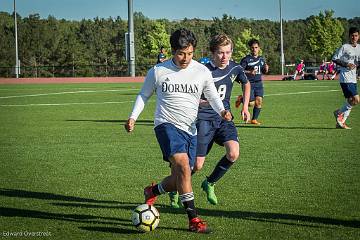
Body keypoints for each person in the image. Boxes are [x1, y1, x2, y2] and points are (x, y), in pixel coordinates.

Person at [125, 28, 232, 233]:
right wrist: (133, 117)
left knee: (186, 175)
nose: (185, 58)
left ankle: (153, 190)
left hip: (191, 129)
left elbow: (212, 95)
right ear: (173, 51)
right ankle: (193, 220)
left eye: (190, 53)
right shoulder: (158, 71)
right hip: (166, 125)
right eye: (181, 53)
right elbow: (144, 95)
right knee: (183, 166)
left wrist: (222, 112)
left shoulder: (201, 71)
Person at [168, 34, 251, 207]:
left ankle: (210, 183)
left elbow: (246, 83)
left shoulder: (234, 68)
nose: (224, 57)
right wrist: (203, 101)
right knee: (196, 165)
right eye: (221, 53)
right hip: (203, 121)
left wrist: (244, 107)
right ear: (213, 53)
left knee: (233, 153)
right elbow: (186, 92)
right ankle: (174, 188)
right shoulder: (201, 70)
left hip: (223, 119)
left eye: (228, 52)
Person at [236, 38, 269, 125]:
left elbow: (263, 71)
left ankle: (254, 119)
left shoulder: (261, 59)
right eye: (252, 48)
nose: (254, 49)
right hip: (248, 83)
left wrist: (266, 69)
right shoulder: (246, 59)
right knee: (250, 103)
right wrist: (249, 72)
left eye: (256, 47)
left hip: (258, 83)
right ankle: (241, 99)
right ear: (250, 49)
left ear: (259, 48)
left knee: (259, 101)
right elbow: (240, 70)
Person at [332, 27, 360, 129]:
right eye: (352, 35)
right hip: (345, 77)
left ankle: (341, 122)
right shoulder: (344, 47)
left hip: (353, 78)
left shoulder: (359, 48)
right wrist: (346, 64)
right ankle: (338, 113)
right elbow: (334, 58)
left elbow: (357, 63)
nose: (354, 37)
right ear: (349, 36)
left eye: (356, 35)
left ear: (359, 36)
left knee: (351, 101)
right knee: (356, 100)